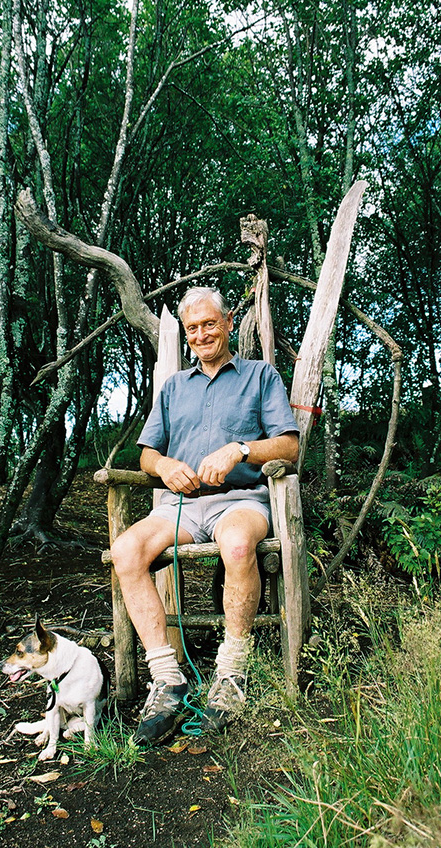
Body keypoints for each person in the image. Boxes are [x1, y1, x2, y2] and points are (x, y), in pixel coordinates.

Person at [111, 286, 299, 745]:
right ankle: (167, 678)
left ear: (229, 323)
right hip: (181, 506)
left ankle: (232, 673)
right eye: (192, 328)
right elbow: (147, 455)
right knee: (126, 551)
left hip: (242, 500)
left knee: (237, 545)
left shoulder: (261, 376)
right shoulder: (174, 386)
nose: (201, 335)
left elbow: (290, 447)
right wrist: (165, 465)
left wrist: (240, 449)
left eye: (209, 324)